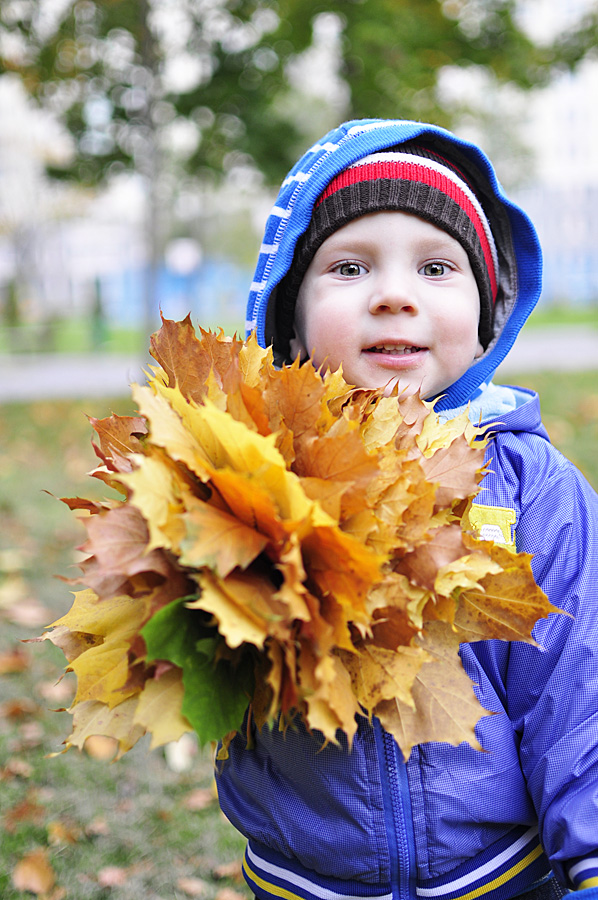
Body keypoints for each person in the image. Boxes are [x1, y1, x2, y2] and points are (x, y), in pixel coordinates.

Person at [215, 119, 598, 900]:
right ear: (290, 314)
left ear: (488, 312)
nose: (394, 295)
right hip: (304, 877)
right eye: (350, 268)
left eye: (435, 267)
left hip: (499, 878)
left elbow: (578, 691)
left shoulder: (528, 486)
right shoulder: (246, 474)